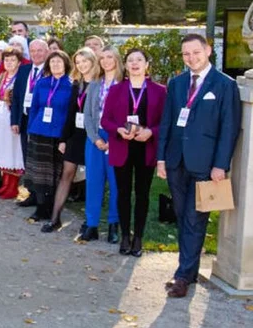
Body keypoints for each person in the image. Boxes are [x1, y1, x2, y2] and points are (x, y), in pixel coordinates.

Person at [157, 34, 241, 297]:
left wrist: (220, 164)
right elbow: (167, 122)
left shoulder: (225, 85)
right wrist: (161, 158)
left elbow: (229, 128)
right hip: (175, 160)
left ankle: (182, 276)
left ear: (207, 51)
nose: (191, 58)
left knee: (195, 218)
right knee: (182, 216)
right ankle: (189, 270)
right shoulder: (178, 83)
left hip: (205, 164)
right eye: (186, 54)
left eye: (196, 52)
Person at [103, 48, 167, 258]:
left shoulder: (159, 91)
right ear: (126, 65)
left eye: (139, 59)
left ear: (147, 64)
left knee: (142, 194)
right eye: (130, 60)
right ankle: (124, 236)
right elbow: (106, 120)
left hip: (145, 148)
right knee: (122, 193)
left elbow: (165, 123)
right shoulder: (116, 90)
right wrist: (118, 129)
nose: (135, 63)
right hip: (122, 146)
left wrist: (151, 132)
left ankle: (138, 236)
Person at [42, 48, 98, 233]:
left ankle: (90, 221)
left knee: (92, 178)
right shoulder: (77, 84)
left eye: (85, 61)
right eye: (78, 62)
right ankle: (55, 217)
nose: (82, 65)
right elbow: (70, 113)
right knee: (66, 174)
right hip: (75, 134)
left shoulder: (101, 84)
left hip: (93, 134)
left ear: (92, 61)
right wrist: (63, 139)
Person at [24, 50, 73, 223]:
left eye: (59, 62)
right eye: (52, 63)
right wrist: (30, 129)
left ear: (66, 64)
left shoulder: (71, 85)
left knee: (54, 173)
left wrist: (65, 138)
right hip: (39, 131)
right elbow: (35, 107)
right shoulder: (42, 83)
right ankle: (40, 207)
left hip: (58, 134)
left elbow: (70, 113)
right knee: (39, 173)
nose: (55, 65)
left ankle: (52, 208)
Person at [81, 47, 123, 243]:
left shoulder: (125, 83)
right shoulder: (95, 84)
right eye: (103, 58)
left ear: (117, 59)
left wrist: (115, 138)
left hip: (117, 138)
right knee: (93, 181)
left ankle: (114, 225)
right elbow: (88, 115)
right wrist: (95, 138)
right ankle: (92, 224)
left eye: (110, 57)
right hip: (95, 138)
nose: (106, 61)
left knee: (116, 183)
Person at [10, 39, 50, 207]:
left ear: (47, 52)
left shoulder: (49, 71)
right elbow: (17, 97)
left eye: (40, 50)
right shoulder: (24, 69)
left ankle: (43, 196)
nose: (36, 54)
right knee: (27, 157)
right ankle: (32, 194)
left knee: (40, 158)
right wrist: (14, 120)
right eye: (33, 50)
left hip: (42, 120)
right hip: (25, 118)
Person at [0, 47, 26, 200]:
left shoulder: (20, 78)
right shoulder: (1, 76)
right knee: (3, 149)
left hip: (12, 115)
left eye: (13, 60)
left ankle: (13, 187)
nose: (9, 63)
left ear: (19, 62)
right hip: (0, 115)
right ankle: (5, 184)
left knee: (13, 150)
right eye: (6, 60)